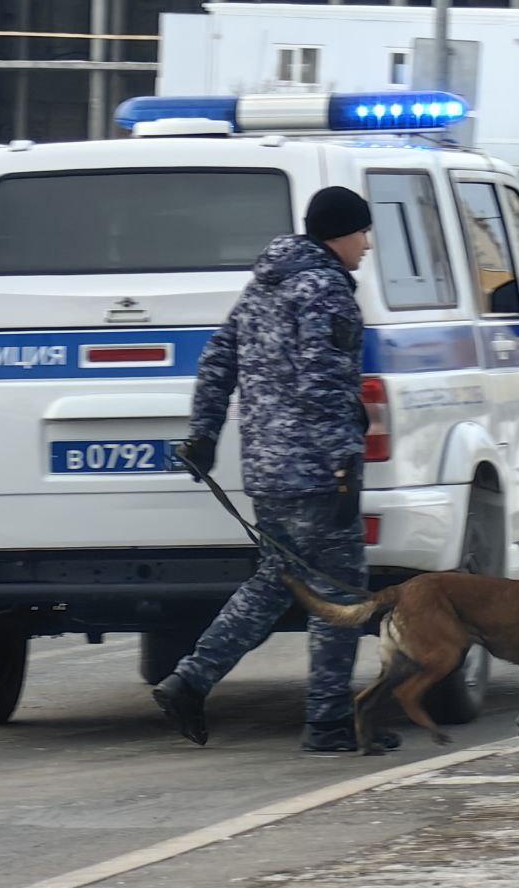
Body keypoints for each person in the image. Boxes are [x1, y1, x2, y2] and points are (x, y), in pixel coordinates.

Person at [152, 186, 400, 754]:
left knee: (274, 583)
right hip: (315, 470)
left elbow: (219, 357)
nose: (366, 245)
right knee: (341, 592)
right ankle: (329, 722)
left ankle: (190, 680)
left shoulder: (267, 282)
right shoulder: (326, 290)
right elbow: (325, 387)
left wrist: (205, 433)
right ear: (340, 233)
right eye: (362, 233)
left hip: (266, 468)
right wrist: (344, 467)